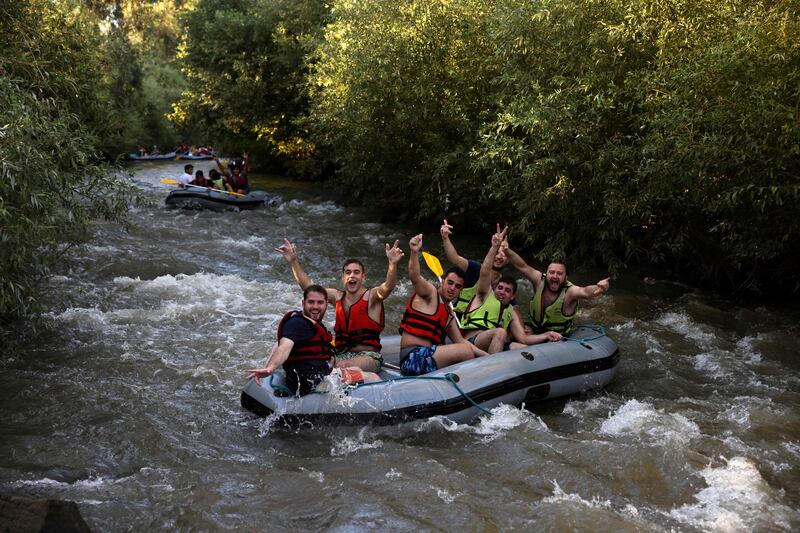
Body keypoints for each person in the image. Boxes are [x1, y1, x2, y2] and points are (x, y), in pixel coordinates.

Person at [276, 239, 404, 373]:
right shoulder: (336, 297)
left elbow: (388, 287)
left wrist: (392, 263)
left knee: (338, 366)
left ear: (363, 277)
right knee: (318, 363)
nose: (352, 276)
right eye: (348, 272)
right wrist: (293, 261)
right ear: (343, 278)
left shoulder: (372, 296)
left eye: (356, 272)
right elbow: (309, 288)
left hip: (369, 357)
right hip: (340, 355)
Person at [246, 285, 380, 396]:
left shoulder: (306, 323)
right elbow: (284, 347)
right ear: (303, 303)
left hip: (310, 378)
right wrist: (270, 368)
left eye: (320, 302)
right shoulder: (298, 323)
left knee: (355, 368)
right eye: (311, 302)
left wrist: (267, 366)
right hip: (315, 382)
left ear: (326, 305)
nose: (315, 306)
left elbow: (279, 343)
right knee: (372, 377)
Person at [460, 226, 562, 353]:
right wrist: (494, 247)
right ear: (494, 289)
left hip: (495, 341)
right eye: (500, 288)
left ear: (512, 296)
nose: (502, 292)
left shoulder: (510, 311)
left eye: (507, 290)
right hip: (473, 340)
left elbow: (524, 339)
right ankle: (492, 368)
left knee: (523, 348)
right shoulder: (484, 295)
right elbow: (485, 271)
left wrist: (547, 335)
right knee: (501, 332)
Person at [398, 234, 488, 376]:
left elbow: (461, 341)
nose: (452, 288)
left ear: (460, 291)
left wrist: (488, 357)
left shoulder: (448, 314)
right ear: (443, 281)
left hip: (427, 358)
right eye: (450, 283)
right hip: (412, 358)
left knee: (465, 349)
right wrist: (414, 252)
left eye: (458, 286)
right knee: (465, 352)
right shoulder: (430, 293)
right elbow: (414, 277)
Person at [504, 248, 610, 335]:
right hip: (534, 329)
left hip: (558, 337)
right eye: (551, 272)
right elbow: (522, 266)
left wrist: (599, 287)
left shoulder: (570, 291)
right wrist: (506, 250)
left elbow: (586, 292)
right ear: (547, 273)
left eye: (559, 273)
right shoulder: (539, 280)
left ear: (566, 277)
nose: (554, 276)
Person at [440, 219, 511, 318]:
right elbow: (454, 258)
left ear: (508, 260)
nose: (499, 257)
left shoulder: (506, 285)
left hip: (481, 323)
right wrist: (445, 238)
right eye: (497, 252)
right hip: (459, 317)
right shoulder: (475, 268)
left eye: (504, 254)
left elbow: (513, 308)